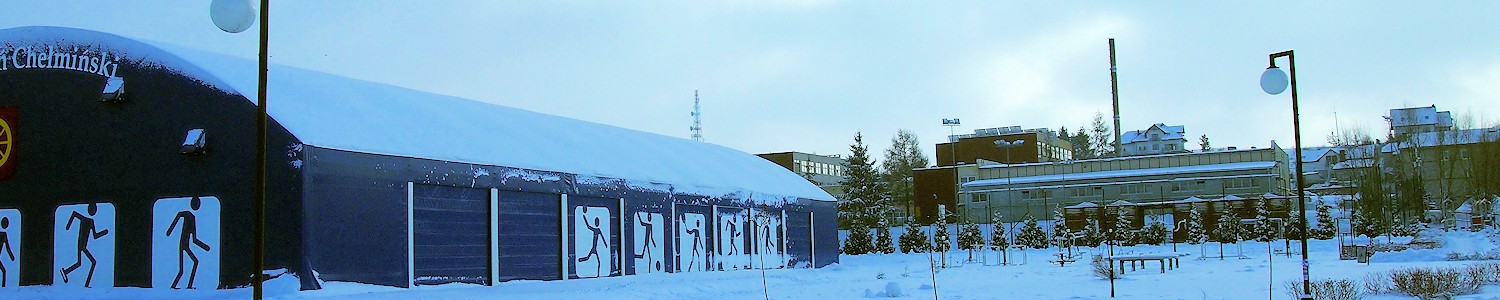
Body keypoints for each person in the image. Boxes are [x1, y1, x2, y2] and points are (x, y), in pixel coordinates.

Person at [168, 197, 212, 289]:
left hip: (185, 245)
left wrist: (206, 247)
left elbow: (194, 239)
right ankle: (175, 286)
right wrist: (170, 230)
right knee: (183, 269)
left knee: (194, 263)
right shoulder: (189, 215)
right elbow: (179, 214)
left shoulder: (192, 218)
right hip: (182, 245)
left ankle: (188, 286)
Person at [61, 203, 109, 287]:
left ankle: (66, 272)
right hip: (81, 245)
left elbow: (95, 235)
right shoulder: (85, 219)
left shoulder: (91, 221)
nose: (93, 211)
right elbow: (74, 214)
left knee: (80, 263)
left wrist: (104, 232)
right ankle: (86, 284)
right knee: (92, 262)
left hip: (83, 246)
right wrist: (68, 226)